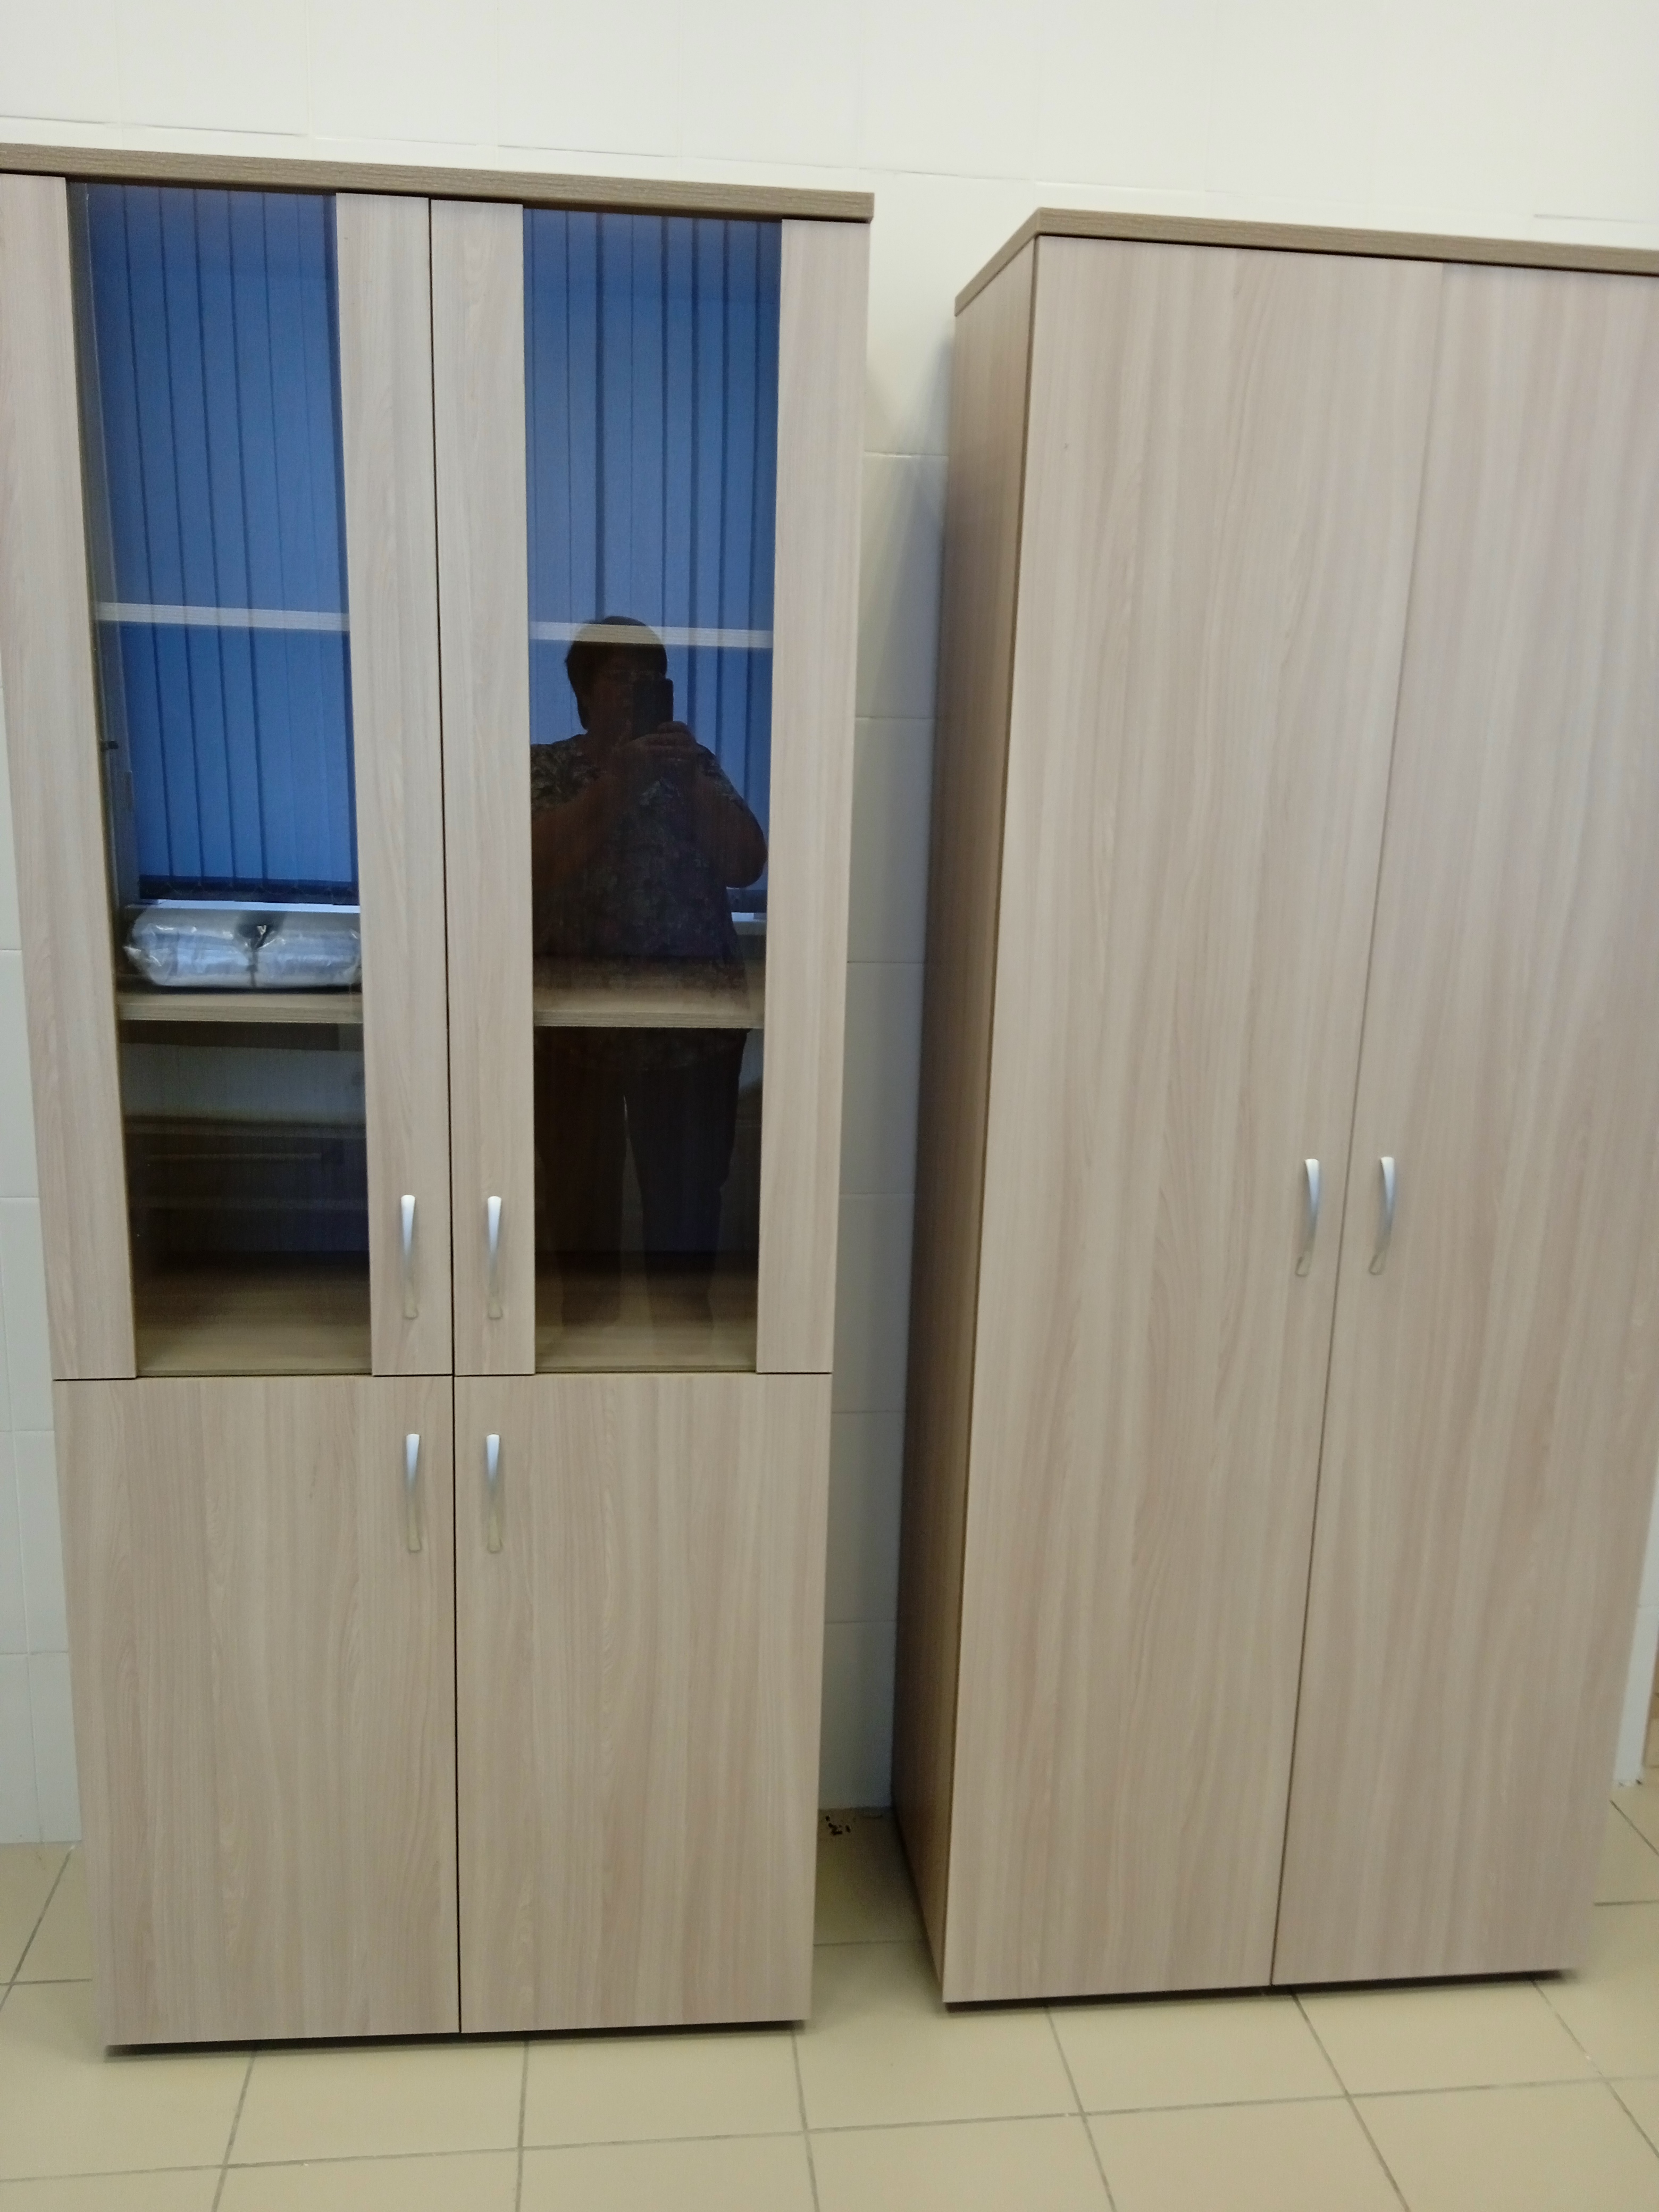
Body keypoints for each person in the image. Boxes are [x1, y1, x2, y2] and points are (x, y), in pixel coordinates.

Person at [530, 616, 767, 1325]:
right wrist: (617, 783)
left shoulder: (693, 767)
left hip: (691, 1034)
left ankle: (683, 1337)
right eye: (619, 679)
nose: (636, 691)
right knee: (578, 1203)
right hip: (574, 1035)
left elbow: (745, 863)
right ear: (583, 694)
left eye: (649, 680)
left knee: (688, 1205)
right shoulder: (548, 768)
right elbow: (531, 866)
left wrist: (688, 776)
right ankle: (586, 1336)